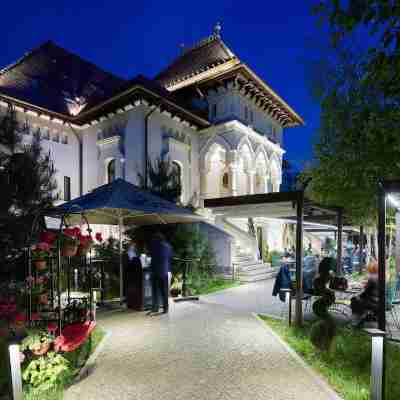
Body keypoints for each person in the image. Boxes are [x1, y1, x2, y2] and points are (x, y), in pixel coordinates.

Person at [149, 232, 172, 314]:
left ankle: (155, 308)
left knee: (155, 291)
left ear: (156, 239)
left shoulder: (155, 245)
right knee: (164, 291)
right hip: (165, 271)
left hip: (155, 271)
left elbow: (152, 256)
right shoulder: (168, 246)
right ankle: (166, 308)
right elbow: (169, 257)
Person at [124, 242, 143, 310]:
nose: (133, 247)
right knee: (132, 290)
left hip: (134, 274)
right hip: (132, 275)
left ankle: (133, 304)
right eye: (132, 246)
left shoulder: (134, 255)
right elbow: (127, 264)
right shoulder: (128, 254)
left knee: (133, 290)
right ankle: (132, 304)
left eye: (134, 246)